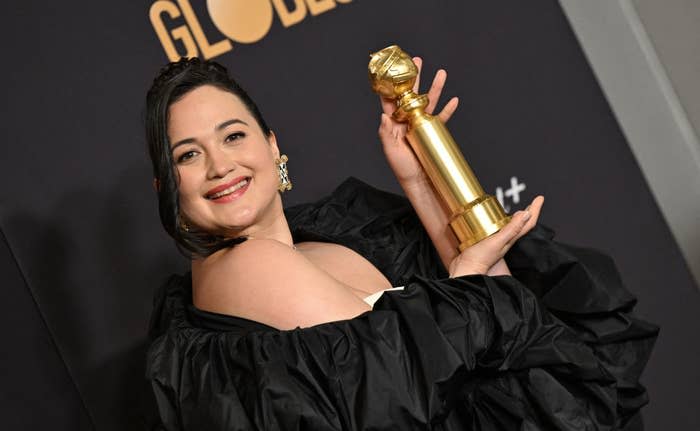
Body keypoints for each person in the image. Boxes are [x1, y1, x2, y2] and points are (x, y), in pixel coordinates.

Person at [144, 58, 657, 430]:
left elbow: (492, 328)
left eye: (233, 136)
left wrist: (417, 180)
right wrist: (475, 283)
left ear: (271, 144)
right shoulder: (248, 264)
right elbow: (413, 389)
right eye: (188, 155)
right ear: (167, 187)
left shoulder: (320, 238)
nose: (220, 166)